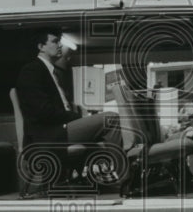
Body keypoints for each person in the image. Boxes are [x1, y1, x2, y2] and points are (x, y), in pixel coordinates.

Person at [15, 29, 122, 182]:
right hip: (47, 135)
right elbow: (43, 111)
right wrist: (77, 117)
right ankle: (124, 177)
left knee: (105, 127)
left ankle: (106, 176)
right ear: (41, 47)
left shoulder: (51, 72)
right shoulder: (32, 70)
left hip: (59, 130)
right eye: (54, 41)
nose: (60, 45)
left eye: (59, 41)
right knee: (111, 119)